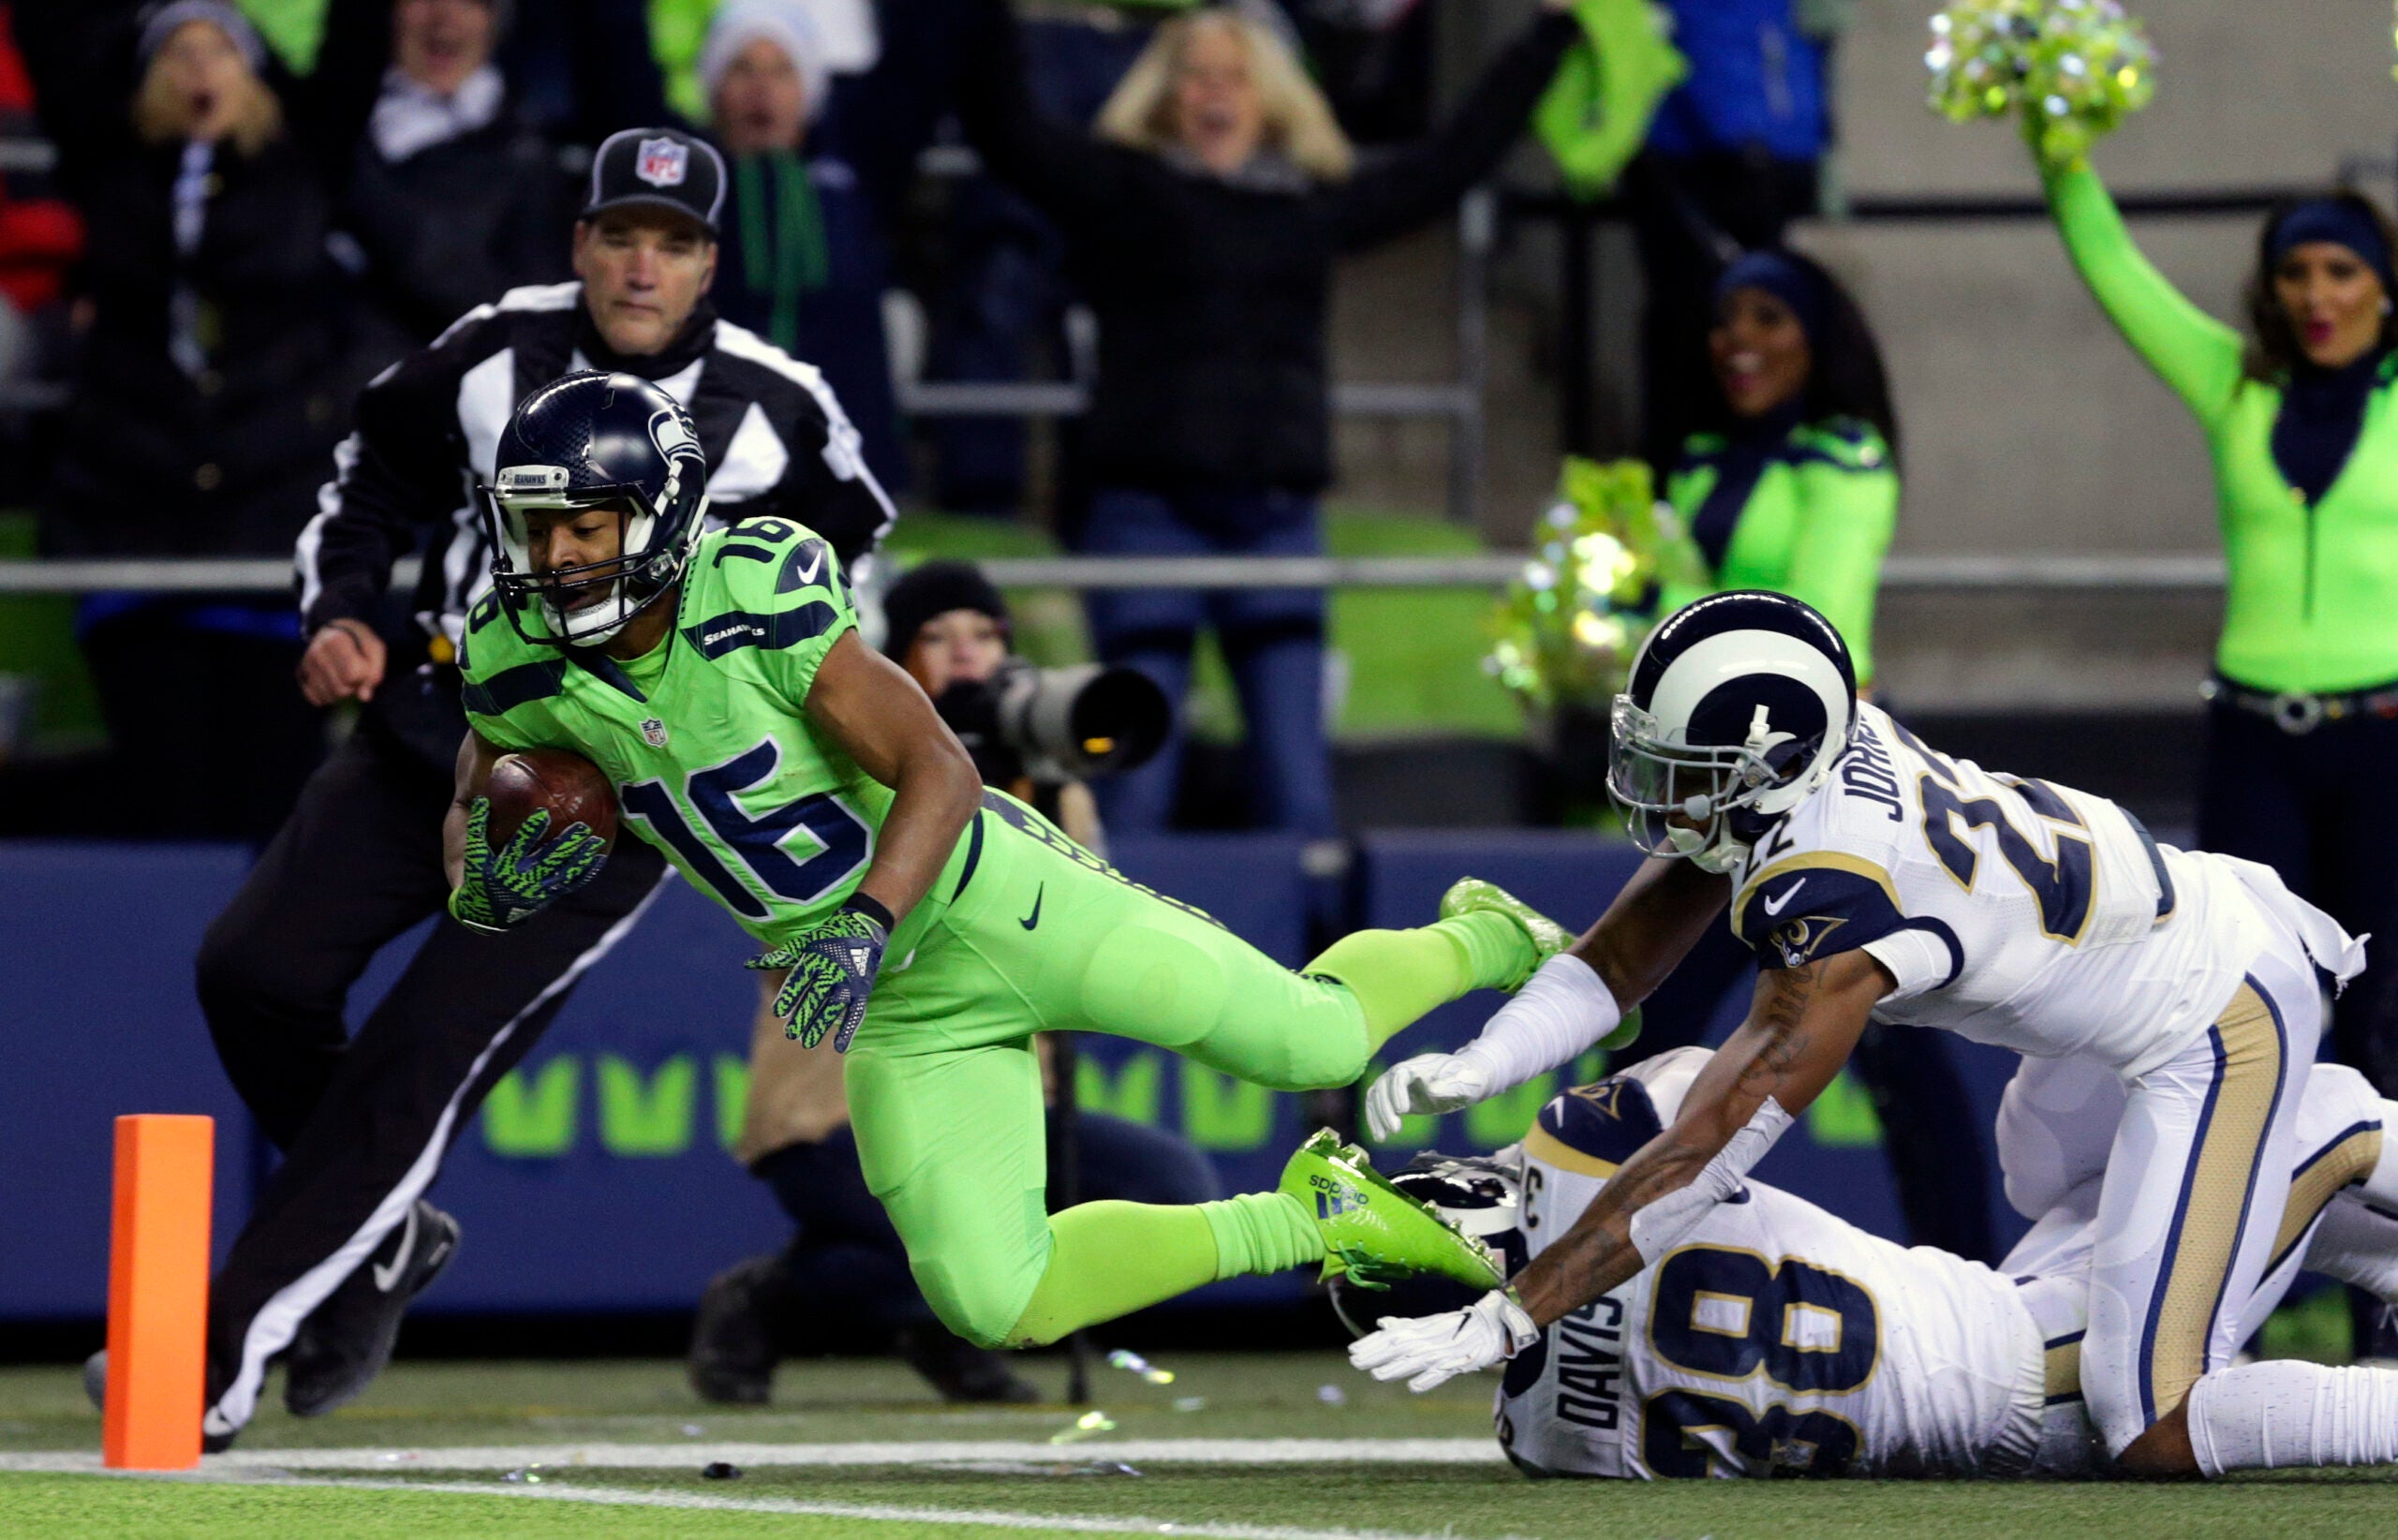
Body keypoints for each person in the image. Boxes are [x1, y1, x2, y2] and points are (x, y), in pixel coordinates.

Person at [451, 369, 1546, 1365]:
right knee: (996, 1299)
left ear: (663, 512)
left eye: (582, 526)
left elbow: (941, 769)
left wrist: (866, 920)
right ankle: (1311, 1220)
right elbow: (468, 809)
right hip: (895, 1007)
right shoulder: (514, 653)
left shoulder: (751, 594)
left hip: (991, 902)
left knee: (1316, 1039)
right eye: (536, 530)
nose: (556, 559)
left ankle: (1486, 932)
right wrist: (478, 880)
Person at [169, 127, 894, 1450]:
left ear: (709, 264)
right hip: (440, 721)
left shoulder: (780, 406)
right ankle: (376, 1239)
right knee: (252, 969)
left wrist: (776, 743)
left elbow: (848, 581)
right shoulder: (494, 349)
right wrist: (341, 609)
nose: (640, 264)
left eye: (671, 244)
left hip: (615, 786)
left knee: (418, 1056)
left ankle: (213, 1361)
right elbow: (369, 478)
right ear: (580, 245)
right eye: (620, 234)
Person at [1352, 588, 2387, 1477]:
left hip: (2214, 1010)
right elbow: (1622, 959)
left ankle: (2343, 1164)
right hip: (2146, 968)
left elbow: (1702, 1152)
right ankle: (2330, 1159)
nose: (1666, 791)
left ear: (1775, 762)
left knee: (2146, 1417)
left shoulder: (1835, 897)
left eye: (1692, 769)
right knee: (2044, 1175)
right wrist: (1484, 1057)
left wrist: (1517, 1311)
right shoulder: (1804, 776)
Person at [954, 0, 1582, 840]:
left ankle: (1308, 970)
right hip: (1148, 517)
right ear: (1166, 94)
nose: (1215, 92)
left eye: (1235, 75)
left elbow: (1449, 165)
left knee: (1298, 793)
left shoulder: (1305, 204)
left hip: (1275, 520)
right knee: (1136, 783)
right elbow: (1005, 128)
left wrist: (1547, 34)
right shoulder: (1122, 188)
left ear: (1271, 96)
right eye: (1196, 75)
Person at [1361, 1046, 2398, 1479]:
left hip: (1996, 1411)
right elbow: (1703, 1089)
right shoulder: (1575, 1160)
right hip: (2056, 1352)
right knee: (2320, 1109)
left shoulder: (1539, 1442)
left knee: (2090, 1161)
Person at [688, 557, 1217, 1405]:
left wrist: (1025, 780)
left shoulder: (1043, 774)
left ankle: (927, 1323)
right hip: (835, 1101)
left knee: (1170, 1187)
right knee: (948, 1228)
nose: (967, 654)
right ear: (891, 658)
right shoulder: (828, 756)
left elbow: (1088, 928)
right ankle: (772, 1304)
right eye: (939, 636)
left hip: (1004, 1095)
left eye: (986, 634)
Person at [2034, 132, 2398, 1358]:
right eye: (2298, 276)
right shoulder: (2234, 386)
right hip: (2252, 742)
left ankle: (2384, 1311)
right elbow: (2112, 268)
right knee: (2248, 1011)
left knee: (2388, 1014)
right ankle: (2224, 1299)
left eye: (2343, 273)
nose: (2319, 297)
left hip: (2383, 744)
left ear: (2384, 288)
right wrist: (2056, 140)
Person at [1627, 245, 1990, 1264]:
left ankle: (1970, 1273)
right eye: (1723, 321)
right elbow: (1675, 610)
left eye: (1766, 320)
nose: (1737, 343)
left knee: (1893, 1046)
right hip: (1720, 786)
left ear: (1816, 339)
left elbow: (1818, 619)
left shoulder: (1848, 456)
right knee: (1653, 1022)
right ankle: (1595, 1254)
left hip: (1829, 772)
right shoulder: (1697, 461)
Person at [17, 0, 386, 840]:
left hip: (271, 514)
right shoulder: (110, 165)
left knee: (273, 795)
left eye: (221, 52)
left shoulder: (307, 163)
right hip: (133, 513)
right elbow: (56, 38)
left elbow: (358, 46)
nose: (198, 70)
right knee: (164, 797)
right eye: (177, 53)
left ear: (257, 81)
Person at [696, 0, 906, 492]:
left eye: (782, 70)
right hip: (716, 463)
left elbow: (917, 63)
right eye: (742, 68)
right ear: (715, 88)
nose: (760, 88)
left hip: (842, 463)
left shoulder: (854, 183)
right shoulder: (689, 194)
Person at [1624, 0, 1834, 471]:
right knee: (1701, 331)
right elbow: (1713, 38)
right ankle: (1683, 480)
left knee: (1751, 329)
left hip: (1761, 149)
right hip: (1712, 159)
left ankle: (1738, 474)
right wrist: (1747, 138)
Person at [345, 0, 574, 357]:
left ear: (495, 23)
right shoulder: (326, 123)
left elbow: (527, 316)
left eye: (470, 1)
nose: (444, 15)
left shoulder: (532, 158)